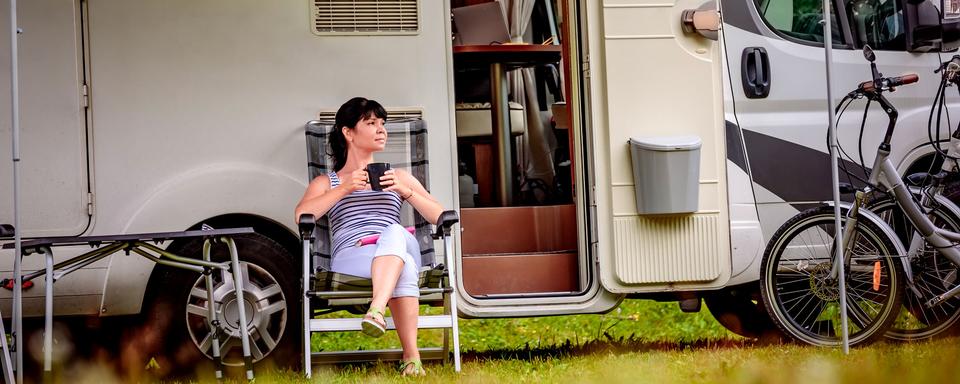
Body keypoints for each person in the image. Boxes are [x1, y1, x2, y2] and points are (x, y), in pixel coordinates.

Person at [294, 97, 443, 376]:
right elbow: (302, 215)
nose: (381, 130)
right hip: (353, 255)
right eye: (371, 123)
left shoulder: (398, 176)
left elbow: (440, 215)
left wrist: (404, 190)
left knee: (394, 232)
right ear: (348, 132)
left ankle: (376, 310)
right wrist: (345, 188)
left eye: (383, 124)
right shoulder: (327, 182)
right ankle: (412, 359)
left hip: (397, 242)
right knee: (406, 266)